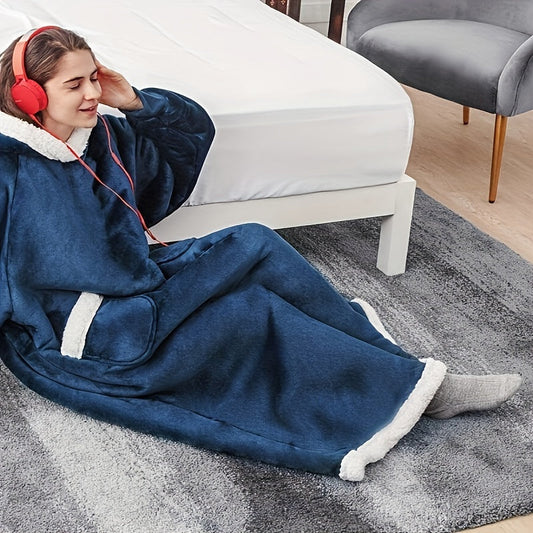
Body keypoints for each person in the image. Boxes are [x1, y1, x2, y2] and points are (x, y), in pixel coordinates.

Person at [0, 26, 522, 482]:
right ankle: (422, 391)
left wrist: (135, 100)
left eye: (94, 77)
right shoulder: (9, 168)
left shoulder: (99, 137)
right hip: (93, 326)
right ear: (28, 95)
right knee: (247, 311)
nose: (93, 93)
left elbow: (188, 137)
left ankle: (407, 371)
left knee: (255, 239)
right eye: (75, 84)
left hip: (141, 281)